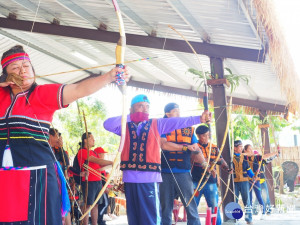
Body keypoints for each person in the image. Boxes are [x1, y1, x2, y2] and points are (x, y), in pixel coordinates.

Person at [0, 45, 129, 224]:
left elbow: (78, 89)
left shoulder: (41, 94)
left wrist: (109, 76)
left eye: (26, 66)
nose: (22, 71)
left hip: (38, 176)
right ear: (6, 75)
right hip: (5, 176)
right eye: (15, 68)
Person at [104, 94, 211, 225]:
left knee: (151, 219)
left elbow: (178, 121)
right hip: (129, 179)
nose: (145, 109)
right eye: (140, 106)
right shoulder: (125, 125)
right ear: (131, 109)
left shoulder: (157, 124)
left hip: (149, 179)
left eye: (147, 107)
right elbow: (107, 124)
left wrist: (199, 118)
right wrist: (131, 117)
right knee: (134, 219)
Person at [159, 102, 206, 225]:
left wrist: (204, 164)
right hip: (165, 172)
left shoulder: (189, 129)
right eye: (175, 111)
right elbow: (164, 145)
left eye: (179, 110)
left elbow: (196, 148)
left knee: (190, 205)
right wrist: (186, 148)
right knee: (165, 206)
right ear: (167, 114)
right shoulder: (162, 127)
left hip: (184, 172)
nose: (178, 113)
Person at [191, 124, 231, 225]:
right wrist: (207, 167)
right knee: (192, 206)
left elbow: (220, 160)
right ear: (198, 136)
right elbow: (193, 159)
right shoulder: (194, 147)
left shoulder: (213, 147)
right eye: (204, 135)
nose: (207, 137)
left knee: (214, 207)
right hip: (196, 181)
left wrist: (227, 168)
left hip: (210, 182)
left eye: (208, 135)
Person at [77, 132, 113, 225]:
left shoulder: (93, 152)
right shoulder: (82, 151)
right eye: (91, 138)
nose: (94, 140)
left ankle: (94, 223)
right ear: (85, 140)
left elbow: (100, 165)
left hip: (97, 181)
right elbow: (96, 160)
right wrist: (110, 162)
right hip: (89, 181)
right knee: (87, 205)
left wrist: (111, 164)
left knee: (95, 205)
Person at [244, 145, 279, 217]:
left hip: (260, 180)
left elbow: (267, 157)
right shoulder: (244, 158)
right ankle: (254, 211)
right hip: (250, 180)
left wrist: (275, 154)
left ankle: (267, 211)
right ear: (245, 151)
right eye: (249, 150)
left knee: (264, 196)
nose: (251, 151)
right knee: (253, 198)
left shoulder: (258, 158)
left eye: (252, 149)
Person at [232, 140, 256, 225]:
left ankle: (249, 219)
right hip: (234, 182)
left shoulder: (244, 157)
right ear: (234, 148)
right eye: (240, 147)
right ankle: (235, 218)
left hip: (244, 181)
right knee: (234, 200)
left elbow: (248, 168)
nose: (242, 148)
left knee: (247, 200)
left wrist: (253, 176)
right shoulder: (230, 157)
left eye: (242, 146)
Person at [94, 147, 110, 225]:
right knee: (104, 204)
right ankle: (99, 220)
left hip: (102, 188)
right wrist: (104, 188)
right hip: (101, 188)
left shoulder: (100, 164)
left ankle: (100, 220)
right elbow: (100, 178)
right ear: (99, 154)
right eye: (102, 154)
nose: (103, 155)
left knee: (103, 204)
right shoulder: (97, 164)